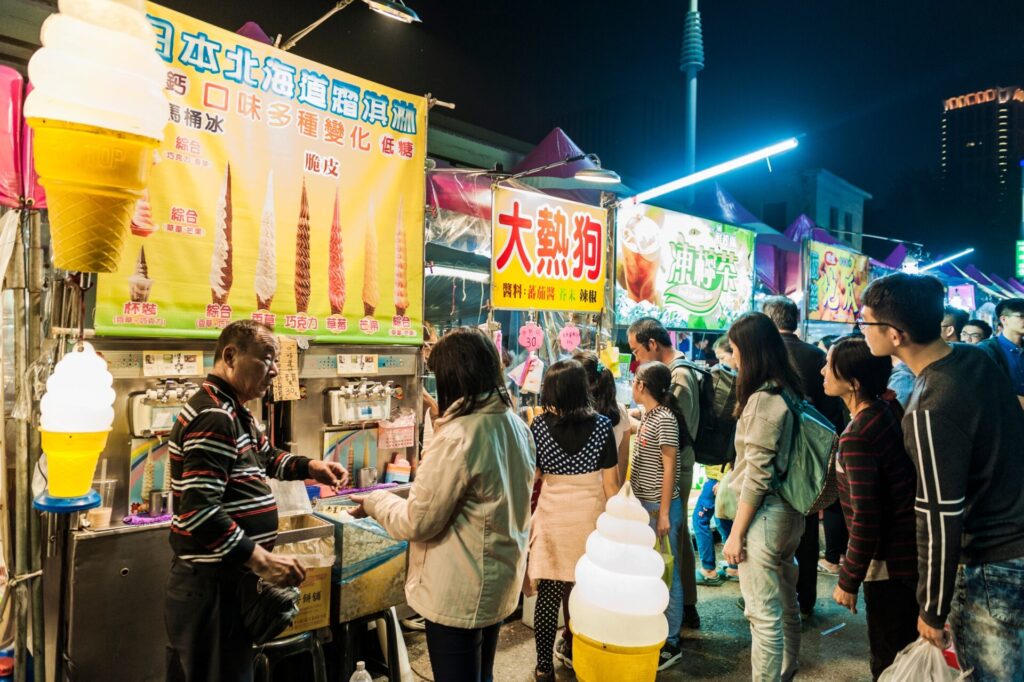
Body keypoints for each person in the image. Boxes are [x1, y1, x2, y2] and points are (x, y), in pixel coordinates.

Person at [860, 273, 1024, 682]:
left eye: (866, 323)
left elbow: (938, 514)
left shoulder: (930, 405)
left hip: (991, 566)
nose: (862, 332)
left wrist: (931, 608)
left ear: (895, 334)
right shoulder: (975, 360)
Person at [166, 320, 349, 682]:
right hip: (212, 589)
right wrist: (261, 560)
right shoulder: (214, 416)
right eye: (267, 358)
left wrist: (312, 467)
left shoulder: (236, 412)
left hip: (227, 585)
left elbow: (266, 457)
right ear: (231, 356)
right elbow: (200, 512)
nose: (275, 370)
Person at [350, 328, 535, 682]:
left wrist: (375, 500)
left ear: (453, 376)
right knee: (483, 675)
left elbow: (417, 522)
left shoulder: (459, 435)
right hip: (497, 584)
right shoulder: (515, 425)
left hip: (459, 594)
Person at [821, 337, 918, 679]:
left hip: (890, 563)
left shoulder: (858, 435)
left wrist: (848, 579)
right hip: (908, 553)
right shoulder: (886, 408)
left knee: (889, 657)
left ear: (853, 382)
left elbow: (866, 516)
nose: (822, 371)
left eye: (829, 366)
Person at [722, 312, 806, 682]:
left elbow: (757, 475)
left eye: (736, 349)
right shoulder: (789, 390)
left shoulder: (763, 399)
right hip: (789, 513)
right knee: (786, 601)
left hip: (766, 515)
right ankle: (788, 669)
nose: (733, 357)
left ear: (750, 351)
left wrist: (736, 533)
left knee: (762, 612)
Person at [527, 360, 620, 680]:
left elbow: (533, 479)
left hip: (552, 522)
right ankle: (587, 659)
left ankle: (543, 666)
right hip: (590, 525)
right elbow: (612, 486)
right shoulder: (603, 426)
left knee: (548, 598)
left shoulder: (538, 427)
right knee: (587, 597)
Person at [761, 296, 844, 617]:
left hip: (774, 457)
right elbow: (833, 413)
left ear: (769, 320)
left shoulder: (767, 358)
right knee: (807, 526)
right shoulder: (818, 357)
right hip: (812, 457)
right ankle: (804, 597)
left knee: (770, 526)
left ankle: (773, 597)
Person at [627, 317, 702, 630]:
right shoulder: (674, 373)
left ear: (652, 344)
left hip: (671, 476)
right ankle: (677, 610)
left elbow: (670, 435)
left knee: (672, 544)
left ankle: (680, 613)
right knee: (670, 544)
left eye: (636, 351)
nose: (636, 359)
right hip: (665, 475)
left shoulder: (679, 376)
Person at [629, 361, 689, 670]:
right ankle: (659, 633)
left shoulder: (664, 418)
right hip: (648, 507)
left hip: (658, 509)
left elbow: (670, 467)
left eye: (634, 379)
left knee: (668, 572)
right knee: (655, 571)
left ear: (642, 385)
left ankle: (673, 641)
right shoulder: (651, 415)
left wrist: (664, 513)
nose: (631, 384)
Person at [693, 336, 739, 586]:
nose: (720, 365)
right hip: (723, 472)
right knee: (723, 519)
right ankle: (733, 567)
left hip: (719, 475)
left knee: (700, 519)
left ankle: (709, 569)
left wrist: (724, 479)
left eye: (723, 358)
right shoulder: (738, 388)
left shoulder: (731, 389)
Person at [574, 351, 631, 496]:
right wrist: (618, 488)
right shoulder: (621, 410)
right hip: (610, 490)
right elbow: (623, 456)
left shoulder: (574, 414)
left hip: (582, 492)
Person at [977, 297, 1024, 409]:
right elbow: (986, 389)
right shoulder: (986, 350)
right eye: (1021, 316)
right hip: (1003, 419)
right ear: (1003, 319)